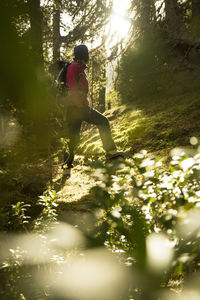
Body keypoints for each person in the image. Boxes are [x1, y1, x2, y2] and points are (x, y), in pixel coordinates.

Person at [63, 44, 123, 174]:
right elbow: (72, 87)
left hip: (77, 107)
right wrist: (80, 105)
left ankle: (66, 165)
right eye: (86, 53)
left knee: (73, 136)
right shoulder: (74, 67)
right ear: (83, 54)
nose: (88, 55)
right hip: (76, 108)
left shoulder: (79, 67)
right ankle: (111, 152)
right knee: (102, 122)